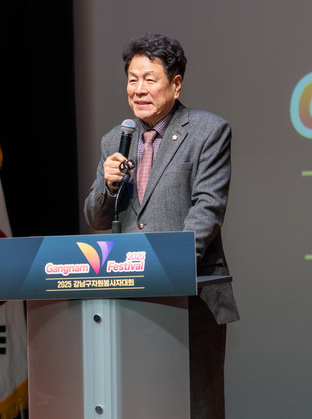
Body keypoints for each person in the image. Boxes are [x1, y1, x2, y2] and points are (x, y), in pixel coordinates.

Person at [84, 33, 239, 419]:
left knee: (197, 408)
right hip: (129, 302)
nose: (138, 89)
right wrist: (107, 185)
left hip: (191, 298)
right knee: (140, 405)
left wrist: (164, 268)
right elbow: (96, 218)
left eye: (149, 79)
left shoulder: (208, 131)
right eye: (132, 79)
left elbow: (207, 209)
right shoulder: (115, 140)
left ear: (176, 83)